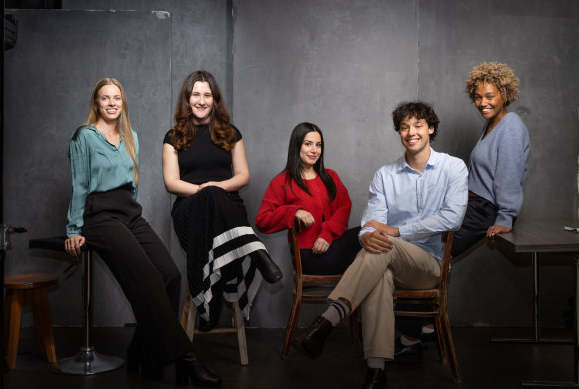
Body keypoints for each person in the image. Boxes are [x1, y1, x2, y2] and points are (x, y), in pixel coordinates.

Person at [294, 102, 468, 389]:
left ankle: (327, 320)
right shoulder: (385, 175)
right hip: (387, 259)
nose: (411, 132)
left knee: (382, 245)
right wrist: (365, 236)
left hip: (429, 265)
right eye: (404, 127)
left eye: (418, 125)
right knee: (378, 264)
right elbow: (369, 226)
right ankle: (376, 372)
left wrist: (396, 230)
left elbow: (452, 218)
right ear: (398, 132)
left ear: (431, 128)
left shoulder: (453, 167)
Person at [64, 78, 221, 387]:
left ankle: (141, 351)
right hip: (99, 216)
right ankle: (186, 358)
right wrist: (74, 228)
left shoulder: (130, 135)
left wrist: (130, 214)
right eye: (105, 98)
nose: (111, 103)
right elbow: (79, 185)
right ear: (96, 103)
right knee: (149, 278)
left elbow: (132, 182)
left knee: (170, 275)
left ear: (123, 103)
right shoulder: (83, 137)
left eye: (117, 98)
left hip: (128, 212)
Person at [162, 70, 282, 331]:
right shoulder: (174, 137)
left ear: (215, 100)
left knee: (216, 195)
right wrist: (205, 191)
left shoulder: (230, 133)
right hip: (189, 211)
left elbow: (243, 176)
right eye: (196, 94)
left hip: (227, 209)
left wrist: (216, 188)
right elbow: (171, 183)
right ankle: (257, 253)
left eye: (207, 95)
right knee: (211, 195)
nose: (201, 100)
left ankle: (212, 295)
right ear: (187, 99)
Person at [255, 122, 361, 275]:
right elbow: (262, 220)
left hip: (334, 246)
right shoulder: (282, 182)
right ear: (297, 146)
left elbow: (344, 207)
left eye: (318, 145)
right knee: (371, 243)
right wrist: (294, 211)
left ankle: (347, 297)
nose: (314, 150)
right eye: (308, 144)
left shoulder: (331, 176)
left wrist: (326, 235)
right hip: (309, 257)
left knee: (371, 233)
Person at [452, 61, 530, 256]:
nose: (482, 103)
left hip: (483, 211)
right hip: (471, 206)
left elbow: (509, 174)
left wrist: (505, 218)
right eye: (478, 97)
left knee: (430, 250)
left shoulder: (510, 125)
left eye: (489, 96)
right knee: (415, 241)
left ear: (504, 95)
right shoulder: (491, 125)